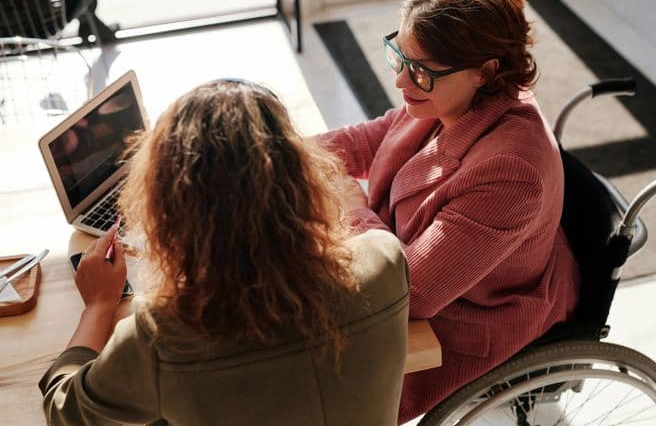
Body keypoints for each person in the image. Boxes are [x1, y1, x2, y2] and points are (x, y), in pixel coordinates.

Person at [38, 79, 410, 425]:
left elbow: (65, 411)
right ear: (304, 178)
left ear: (169, 208)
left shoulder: (163, 335)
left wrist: (99, 305)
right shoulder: (386, 260)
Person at [317, 0, 581, 423]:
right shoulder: (445, 95)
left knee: (317, 380)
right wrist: (271, 152)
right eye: (398, 56)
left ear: (487, 71)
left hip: (464, 321)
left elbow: (408, 294)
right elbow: (368, 140)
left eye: (418, 70)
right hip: (417, 263)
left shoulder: (510, 171)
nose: (401, 82)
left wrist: (352, 206)